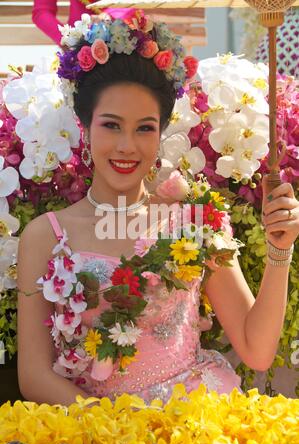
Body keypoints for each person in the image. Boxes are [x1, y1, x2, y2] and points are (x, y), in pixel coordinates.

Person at [17, 12, 299, 407]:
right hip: (94, 428)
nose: (127, 146)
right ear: (85, 126)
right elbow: (33, 376)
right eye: (111, 125)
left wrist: (279, 251)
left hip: (195, 420)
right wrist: (120, 426)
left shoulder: (196, 220)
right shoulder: (44, 236)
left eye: (144, 128)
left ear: (162, 131)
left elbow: (256, 349)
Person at [32, 0, 137, 46]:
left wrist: (111, 16)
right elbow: (42, 11)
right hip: (78, 48)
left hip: (123, 38)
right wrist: (67, 38)